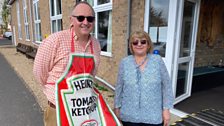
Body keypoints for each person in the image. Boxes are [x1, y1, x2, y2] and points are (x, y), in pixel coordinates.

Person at [33, 2, 101, 126]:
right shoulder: (54, 40)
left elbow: (92, 76)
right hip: (58, 110)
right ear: (71, 20)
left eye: (90, 18)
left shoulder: (96, 44)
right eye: (80, 18)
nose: (85, 22)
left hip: (84, 111)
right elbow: (39, 73)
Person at [114, 31, 174, 126]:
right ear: (131, 45)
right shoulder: (124, 62)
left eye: (143, 42)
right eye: (135, 42)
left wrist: (166, 109)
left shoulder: (157, 60)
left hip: (153, 117)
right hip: (129, 116)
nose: (139, 44)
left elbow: (167, 86)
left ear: (148, 44)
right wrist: (117, 108)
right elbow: (119, 87)